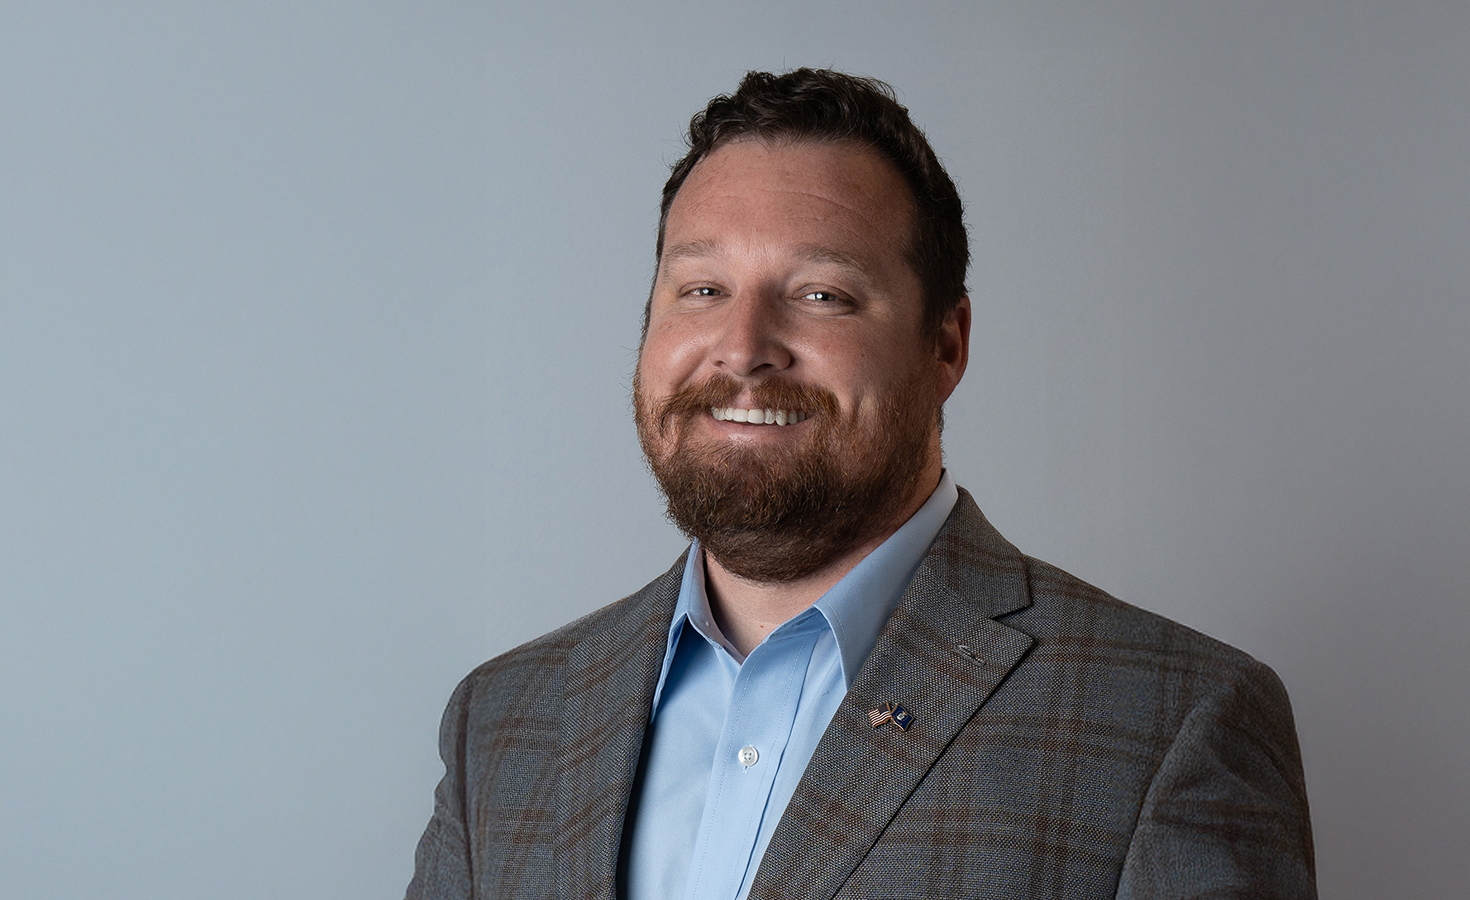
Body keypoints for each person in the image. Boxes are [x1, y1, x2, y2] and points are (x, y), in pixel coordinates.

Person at [406, 68, 1316, 900]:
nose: (743, 347)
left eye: (822, 294)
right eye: (701, 290)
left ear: (946, 345)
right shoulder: (503, 719)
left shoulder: (1170, 722)